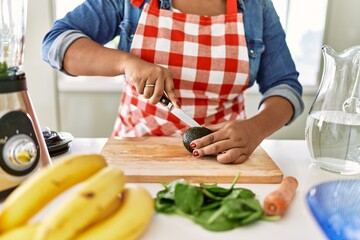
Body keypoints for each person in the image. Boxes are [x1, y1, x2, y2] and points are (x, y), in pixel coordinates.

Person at [42, 0, 304, 164]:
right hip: (135, 157)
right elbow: (55, 44)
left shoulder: (258, 8)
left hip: (223, 159)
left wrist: (255, 128)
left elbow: (285, 86)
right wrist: (126, 62)